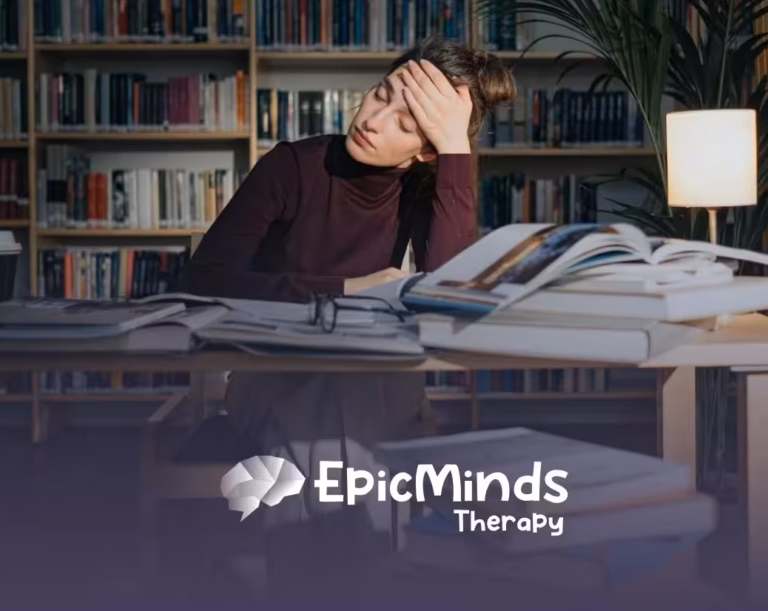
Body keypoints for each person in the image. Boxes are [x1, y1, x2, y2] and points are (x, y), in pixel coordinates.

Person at [179, 36, 516, 590]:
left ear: (427, 150)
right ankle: (368, 584)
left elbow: (449, 293)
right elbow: (203, 282)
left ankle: (301, 583)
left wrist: (457, 149)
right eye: (381, 94)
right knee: (337, 431)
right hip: (276, 378)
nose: (374, 119)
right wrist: (345, 288)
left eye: (407, 123)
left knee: (341, 415)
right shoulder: (291, 166)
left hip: (373, 383)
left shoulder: (425, 184)